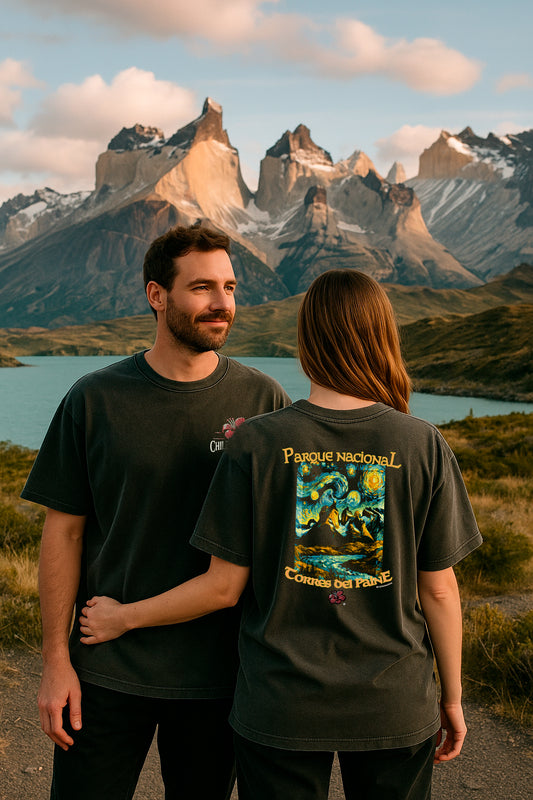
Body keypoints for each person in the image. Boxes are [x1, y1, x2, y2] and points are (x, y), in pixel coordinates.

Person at [78, 269, 482, 800]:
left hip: (279, 704)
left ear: (305, 339)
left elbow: (223, 588)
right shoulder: (422, 443)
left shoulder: (257, 443)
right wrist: (452, 698)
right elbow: (440, 590)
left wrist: (124, 616)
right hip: (394, 702)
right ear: (384, 337)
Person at [21, 224, 291, 800]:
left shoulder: (264, 402)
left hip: (219, 678)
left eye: (229, 287)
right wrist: (55, 661)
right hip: (104, 667)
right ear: (157, 295)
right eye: (202, 287)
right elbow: (63, 535)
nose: (222, 303)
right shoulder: (93, 399)